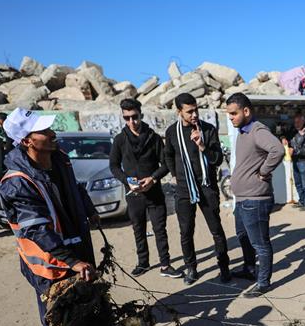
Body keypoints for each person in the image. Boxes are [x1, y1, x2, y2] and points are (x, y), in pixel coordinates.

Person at [0, 108, 100, 326]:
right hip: (48, 258)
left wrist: (89, 209)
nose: (52, 134)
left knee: (78, 295)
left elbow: (75, 188)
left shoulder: (59, 158)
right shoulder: (17, 181)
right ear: (27, 141)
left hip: (75, 243)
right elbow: (37, 228)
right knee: (54, 303)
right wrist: (71, 261)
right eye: (44, 131)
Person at [163, 93, 230, 285]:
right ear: (179, 112)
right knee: (186, 232)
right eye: (189, 111)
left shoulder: (208, 130)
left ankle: (224, 267)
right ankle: (191, 268)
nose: (194, 115)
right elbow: (168, 156)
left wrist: (202, 146)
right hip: (184, 189)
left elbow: (217, 159)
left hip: (207, 186)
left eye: (196, 110)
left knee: (216, 230)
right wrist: (175, 175)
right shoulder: (172, 132)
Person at [110, 98, 179, 278]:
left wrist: (153, 179)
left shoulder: (154, 138)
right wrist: (127, 181)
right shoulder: (119, 140)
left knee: (160, 229)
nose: (131, 121)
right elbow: (114, 166)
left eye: (134, 117)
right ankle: (143, 263)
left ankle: (165, 264)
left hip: (154, 193)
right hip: (133, 195)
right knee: (138, 230)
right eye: (127, 118)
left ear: (141, 115)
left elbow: (166, 164)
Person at [225, 93, 284, 297]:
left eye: (234, 113)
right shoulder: (243, 132)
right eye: (229, 114)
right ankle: (249, 269)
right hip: (243, 199)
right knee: (243, 237)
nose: (231, 117)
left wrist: (264, 171)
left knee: (260, 244)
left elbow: (277, 150)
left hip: (255, 200)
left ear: (246, 111)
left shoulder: (257, 130)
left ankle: (263, 283)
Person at [290, 111, 305, 210]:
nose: (296, 124)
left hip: (303, 161)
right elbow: (288, 138)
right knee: (298, 183)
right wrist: (283, 138)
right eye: (295, 122)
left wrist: (294, 151)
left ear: (303, 121)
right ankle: (301, 201)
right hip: (295, 160)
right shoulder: (294, 131)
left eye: (298, 122)